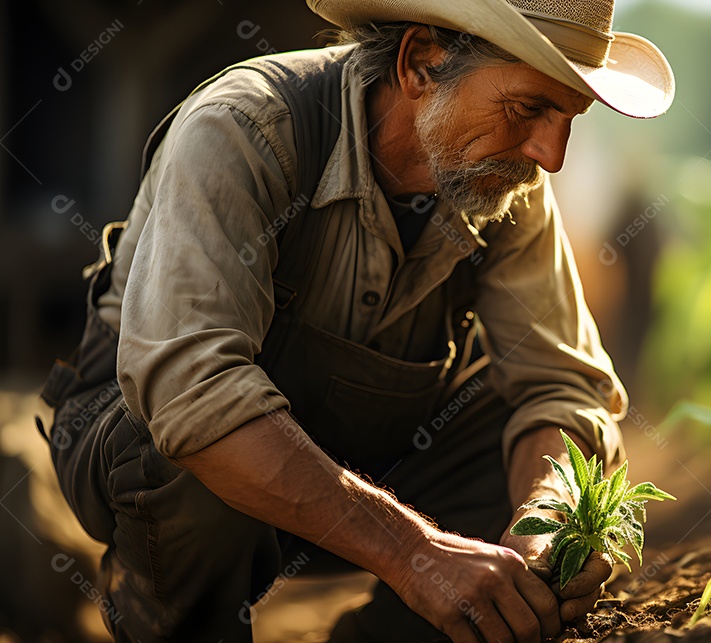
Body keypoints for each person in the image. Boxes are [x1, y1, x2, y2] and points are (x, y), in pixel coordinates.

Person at [39, 0, 674, 640]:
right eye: (528, 108)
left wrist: (548, 519)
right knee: (187, 452)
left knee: (520, 434)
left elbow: (561, 385)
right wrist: (415, 555)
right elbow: (190, 391)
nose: (552, 154)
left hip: (363, 458)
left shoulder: (504, 183)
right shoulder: (242, 129)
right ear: (421, 62)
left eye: (569, 117)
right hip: (162, 472)